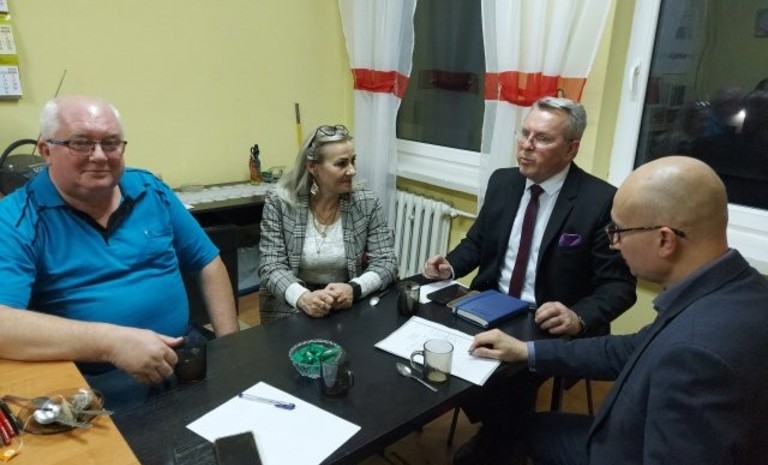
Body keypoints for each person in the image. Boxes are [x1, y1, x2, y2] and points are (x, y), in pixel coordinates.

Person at [470, 156, 768, 465]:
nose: (614, 244)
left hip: (618, 450)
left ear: (665, 240)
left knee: (509, 430)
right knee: (516, 426)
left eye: (619, 231)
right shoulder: (741, 289)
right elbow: (629, 349)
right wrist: (526, 351)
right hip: (632, 435)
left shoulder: (696, 353)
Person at [422, 97, 637, 464]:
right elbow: (477, 242)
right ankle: (498, 432)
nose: (526, 145)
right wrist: (450, 267)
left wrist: (578, 317)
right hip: (490, 303)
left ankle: (499, 443)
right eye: (524, 134)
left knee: (509, 375)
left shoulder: (600, 200)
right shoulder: (503, 181)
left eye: (542, 138)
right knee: (431, 339)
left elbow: (619, 287)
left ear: (571, 149)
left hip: (547, 319)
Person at [0, 95, 239, 399]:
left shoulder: (150, 190)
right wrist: (111, 343)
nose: (100, 156)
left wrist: (231, 348)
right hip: (89, 380)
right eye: (81, 143)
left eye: (111, 143)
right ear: (46, 150)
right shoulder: (16, 218)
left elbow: (207, 262)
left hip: (179, 354)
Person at [258, 124, 397, 322]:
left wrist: (354, 289)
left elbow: (387, 262)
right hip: (290, 307)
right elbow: (271, 266)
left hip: (344, 304)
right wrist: (303, 297)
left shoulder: (366, 203)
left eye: (353, 161)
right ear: (312, 166)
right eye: (341, 164)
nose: (352, 171)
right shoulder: (280, 202)